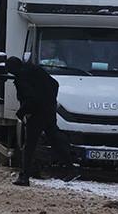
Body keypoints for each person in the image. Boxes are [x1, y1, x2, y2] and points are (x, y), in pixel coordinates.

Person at [7, 55, 77, 186]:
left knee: (29, 146)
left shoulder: (22, 77)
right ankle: (71, 169)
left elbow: (30, 99)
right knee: (55, 140)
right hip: (49, 112)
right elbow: (54, 84)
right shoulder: (36, 70)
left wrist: (21, 112)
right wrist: (50, 102)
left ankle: (24, 177)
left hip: (36, 114)